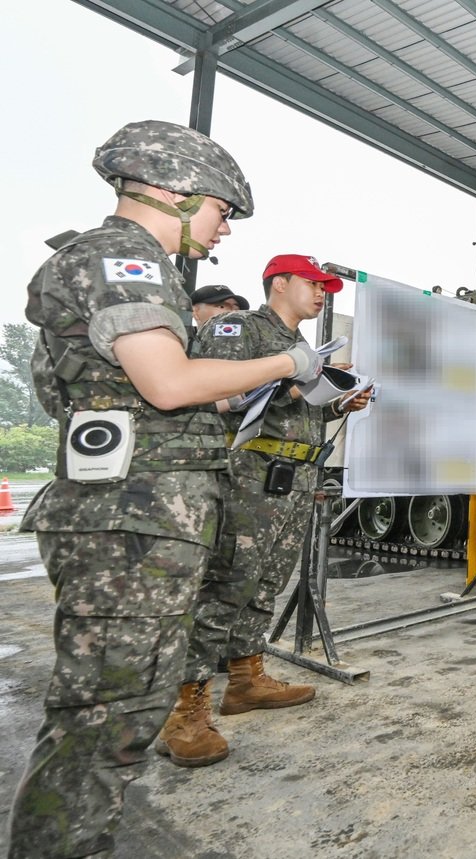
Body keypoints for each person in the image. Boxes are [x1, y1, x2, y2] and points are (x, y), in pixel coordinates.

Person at [9, 119, 324, 859]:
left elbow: (158, 393)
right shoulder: (124, 256)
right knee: (105, 719)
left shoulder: (133, 262)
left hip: (143, 510)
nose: (222, 232)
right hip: (132, 518)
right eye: (220, 211)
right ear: (174, 191)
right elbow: (170, 380)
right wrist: (285, 367)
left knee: (119, 707)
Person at [154, 254, 374, 768]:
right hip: (248, 473)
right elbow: (212, 392)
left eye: (326, 286)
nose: (323, 293)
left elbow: (293, 402)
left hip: (293, 476)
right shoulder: (240, 327)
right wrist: (293, 382)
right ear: (279, 283)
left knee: (266, 583)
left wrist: (339, 400)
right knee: (227, 583)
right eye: (313, 283)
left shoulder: (300, 346)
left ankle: (246, 681)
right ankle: (182, 709)